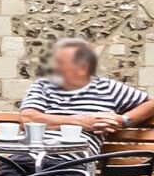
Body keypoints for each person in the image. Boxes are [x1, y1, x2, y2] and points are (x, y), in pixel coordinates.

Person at [19, 37, 154, 126]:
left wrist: (123, 120)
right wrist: (79, 121)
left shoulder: (107, 88)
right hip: (27, 154)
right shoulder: (43, 85)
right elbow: (27, 119)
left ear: (83, 67)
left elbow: (151, 103)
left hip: (72, 158)